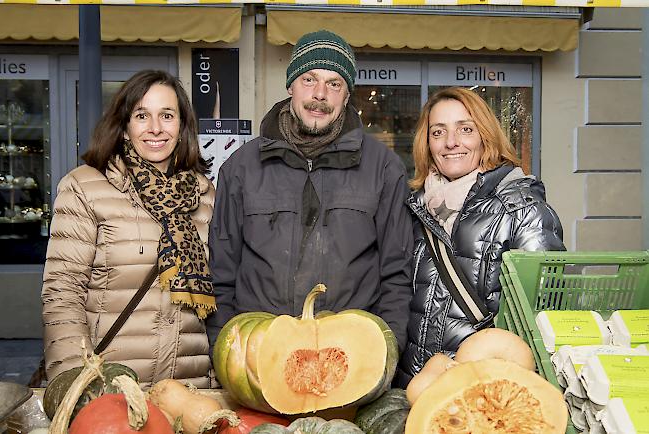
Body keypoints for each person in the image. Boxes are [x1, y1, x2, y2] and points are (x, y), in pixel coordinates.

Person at [206, 30, 413, 352]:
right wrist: (226, 351)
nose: (320, 94)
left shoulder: (384, 168)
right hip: (262, 352)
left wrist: (388, 352)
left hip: (350, 353)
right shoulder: (241, 167)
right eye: (309, 79)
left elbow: (397, 275)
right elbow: (221, 273)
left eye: (334, 84)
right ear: (290, 85)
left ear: (347, 95)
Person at [41, 70, 216, 389]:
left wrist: (219, 379)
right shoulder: (86, 188)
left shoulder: (204, 196)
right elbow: (63, 293)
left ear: (182, 126)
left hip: (189, 390)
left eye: (167, 115)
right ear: (124, 124)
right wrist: (75, 386)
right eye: (142, 115)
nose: (155, 128)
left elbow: (219, 296)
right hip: (111, 389)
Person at [394, 87, 565, 387]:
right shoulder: (416, 207)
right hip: (416, 387)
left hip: (484, 392)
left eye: (465, 129)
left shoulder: (523, 210)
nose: (451, 142)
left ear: (485, 135)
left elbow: (545, 317)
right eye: (438, 132)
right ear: (427, 143)